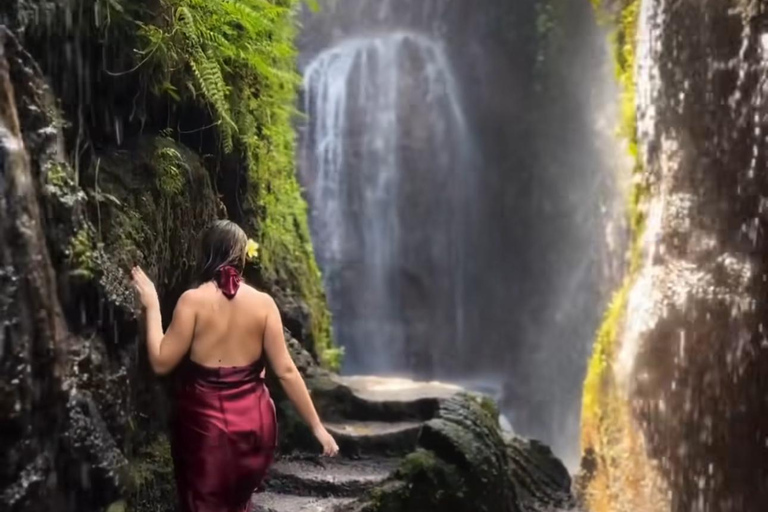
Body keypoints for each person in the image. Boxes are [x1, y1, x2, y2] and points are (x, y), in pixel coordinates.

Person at [131, 219, 339, 512]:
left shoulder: (193, 301)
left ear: (205, 254)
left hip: (206, 427)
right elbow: (286, 371)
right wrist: (317, 427)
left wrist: (152, 305)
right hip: (254, 426)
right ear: (241, 256)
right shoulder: (265, 304)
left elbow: (162, 363)